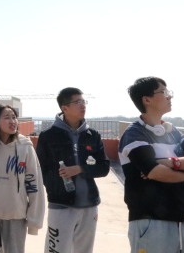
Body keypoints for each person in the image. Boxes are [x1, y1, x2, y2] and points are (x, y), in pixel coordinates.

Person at [36, 87, 110, 253]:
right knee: (57, 250)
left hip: (89, 204)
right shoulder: (48, 136)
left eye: (83, 101)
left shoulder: (93, 135)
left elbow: (104, 167)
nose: (83, 105)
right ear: (65, 108)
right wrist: (56, 188)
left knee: (84, 250)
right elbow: (41, 170)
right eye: (77, 102)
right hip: (61, 204)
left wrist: (80, 169)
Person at [119, 77, 184, 253]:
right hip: (150, 221)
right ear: (147, 100)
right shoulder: (134, 134)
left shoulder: (174, 133)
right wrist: (178, 166)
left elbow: (159, 170)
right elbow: (155, 172)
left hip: (180, 219)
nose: (169, 96)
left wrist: (171, 163)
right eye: (163, 92)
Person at [0, 104, 45, 253]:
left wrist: (34, 221)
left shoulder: (25, 147)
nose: (12, 121)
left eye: (14, 117)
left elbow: (34, 183)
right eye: (7, 117)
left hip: (17, 215)